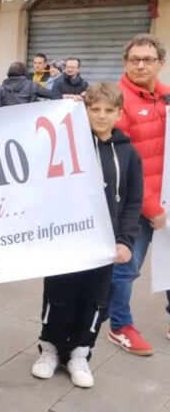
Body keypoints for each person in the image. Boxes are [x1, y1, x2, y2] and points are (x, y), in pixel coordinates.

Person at [31, 82, 142, 388]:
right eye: (95, 109)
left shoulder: (129, 154)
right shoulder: (68, 147)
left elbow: (132, 201)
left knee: (94, 300)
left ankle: (80, 354)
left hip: (104, 246)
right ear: (84, 110)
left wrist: (124, 240)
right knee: (59, 295)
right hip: (67, 242)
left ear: (119, 113)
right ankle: (50, 350)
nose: (102, 116)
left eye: (109, 110)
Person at [109, 33, 170, 355]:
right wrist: (150, 207)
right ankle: (120, 326)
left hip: (167, 198)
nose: (140, 65)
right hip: (138, 205)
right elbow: (123, 162)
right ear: (125, 63)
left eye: (148, 60)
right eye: (134, 60)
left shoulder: (167, 97)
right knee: (126, 267)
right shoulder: (118, 102)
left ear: (161, 63)